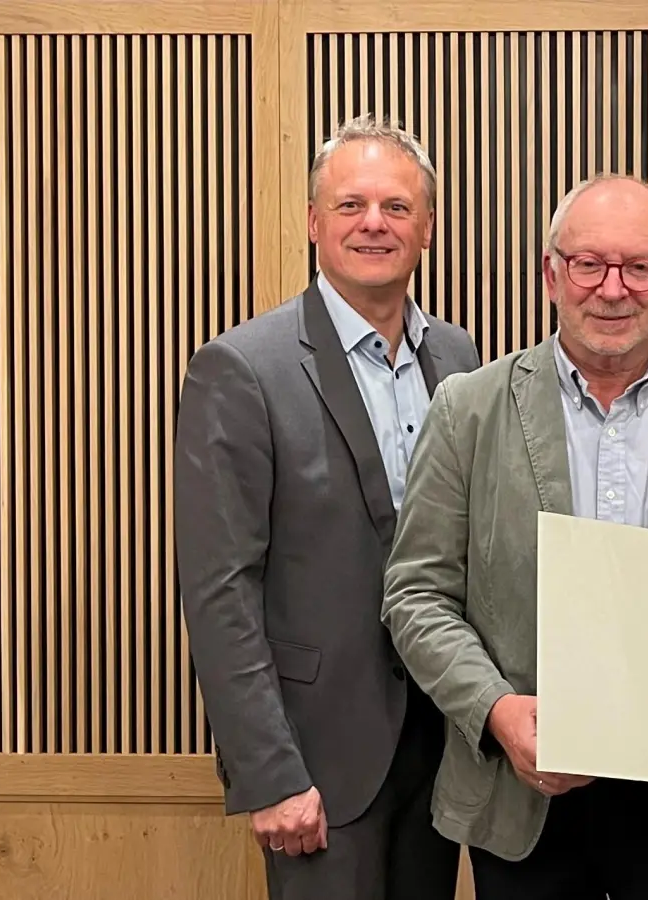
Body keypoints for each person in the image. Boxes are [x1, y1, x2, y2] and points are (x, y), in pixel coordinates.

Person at [380, 173, 648, 900]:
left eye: (640, 267)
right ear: (551, 274)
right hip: (522, 794)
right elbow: (415, 594)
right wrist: (498, 712)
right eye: (588, 263)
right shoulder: (468, 412)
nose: (612, 288)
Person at [175, 113, 481, 900]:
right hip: (317, 765)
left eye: (396, 207)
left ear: (429, 229)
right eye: (350, 206)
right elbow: (218, 590)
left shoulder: (460, 359)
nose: (373, 223)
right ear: (314, 222)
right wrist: (268, 772)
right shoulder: (241, 369)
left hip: (441, 747)